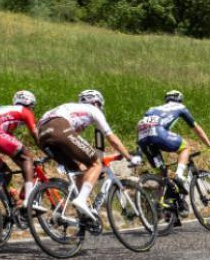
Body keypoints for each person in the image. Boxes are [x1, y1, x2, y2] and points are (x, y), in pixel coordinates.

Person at [38, 90, 141, 220]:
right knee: (96, 163)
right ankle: (81, 200)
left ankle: (82, 212)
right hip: (59, 128)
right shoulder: (93, 110)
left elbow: (75, 145)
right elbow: (111, 138)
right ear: (96, 103)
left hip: (41, 134)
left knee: (79, 168)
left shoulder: (70, 108)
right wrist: (128, 157)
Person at [138, 90, 210, 191]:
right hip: (157, 132)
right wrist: (209, 145)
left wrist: (140, 150)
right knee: (185, 147)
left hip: (142, 137)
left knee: (163, 174)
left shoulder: (152, 109)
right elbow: (196, 128)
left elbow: (144, 126)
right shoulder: (180, 107)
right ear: (180, 99)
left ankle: (164, 202)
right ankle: (179, 175)